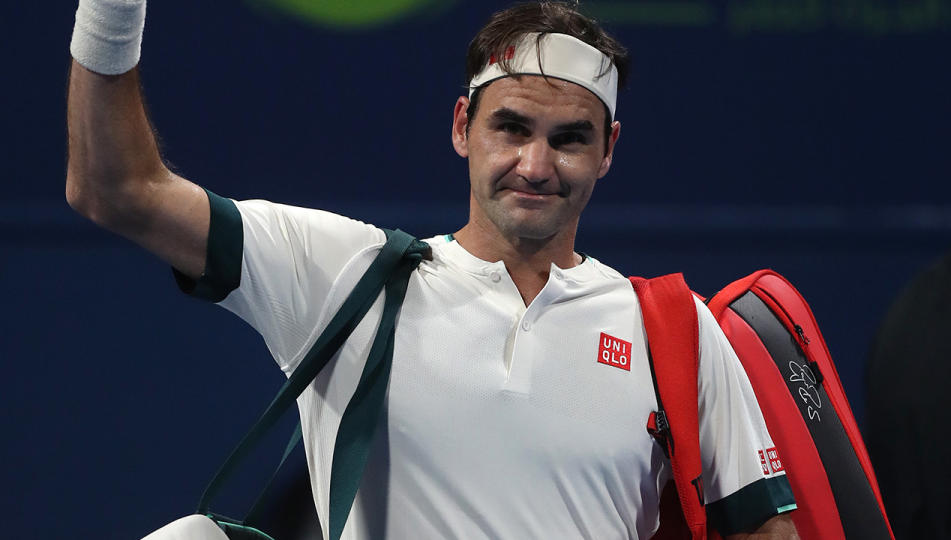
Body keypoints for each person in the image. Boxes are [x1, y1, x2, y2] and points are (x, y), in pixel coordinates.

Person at [66, 1, 799, 538]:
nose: (535, 166)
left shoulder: (677, 330)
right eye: (510, 128)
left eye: (569, 139)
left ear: (608, 150)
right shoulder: (344, 276)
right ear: (462, 127)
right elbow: (117, 189)